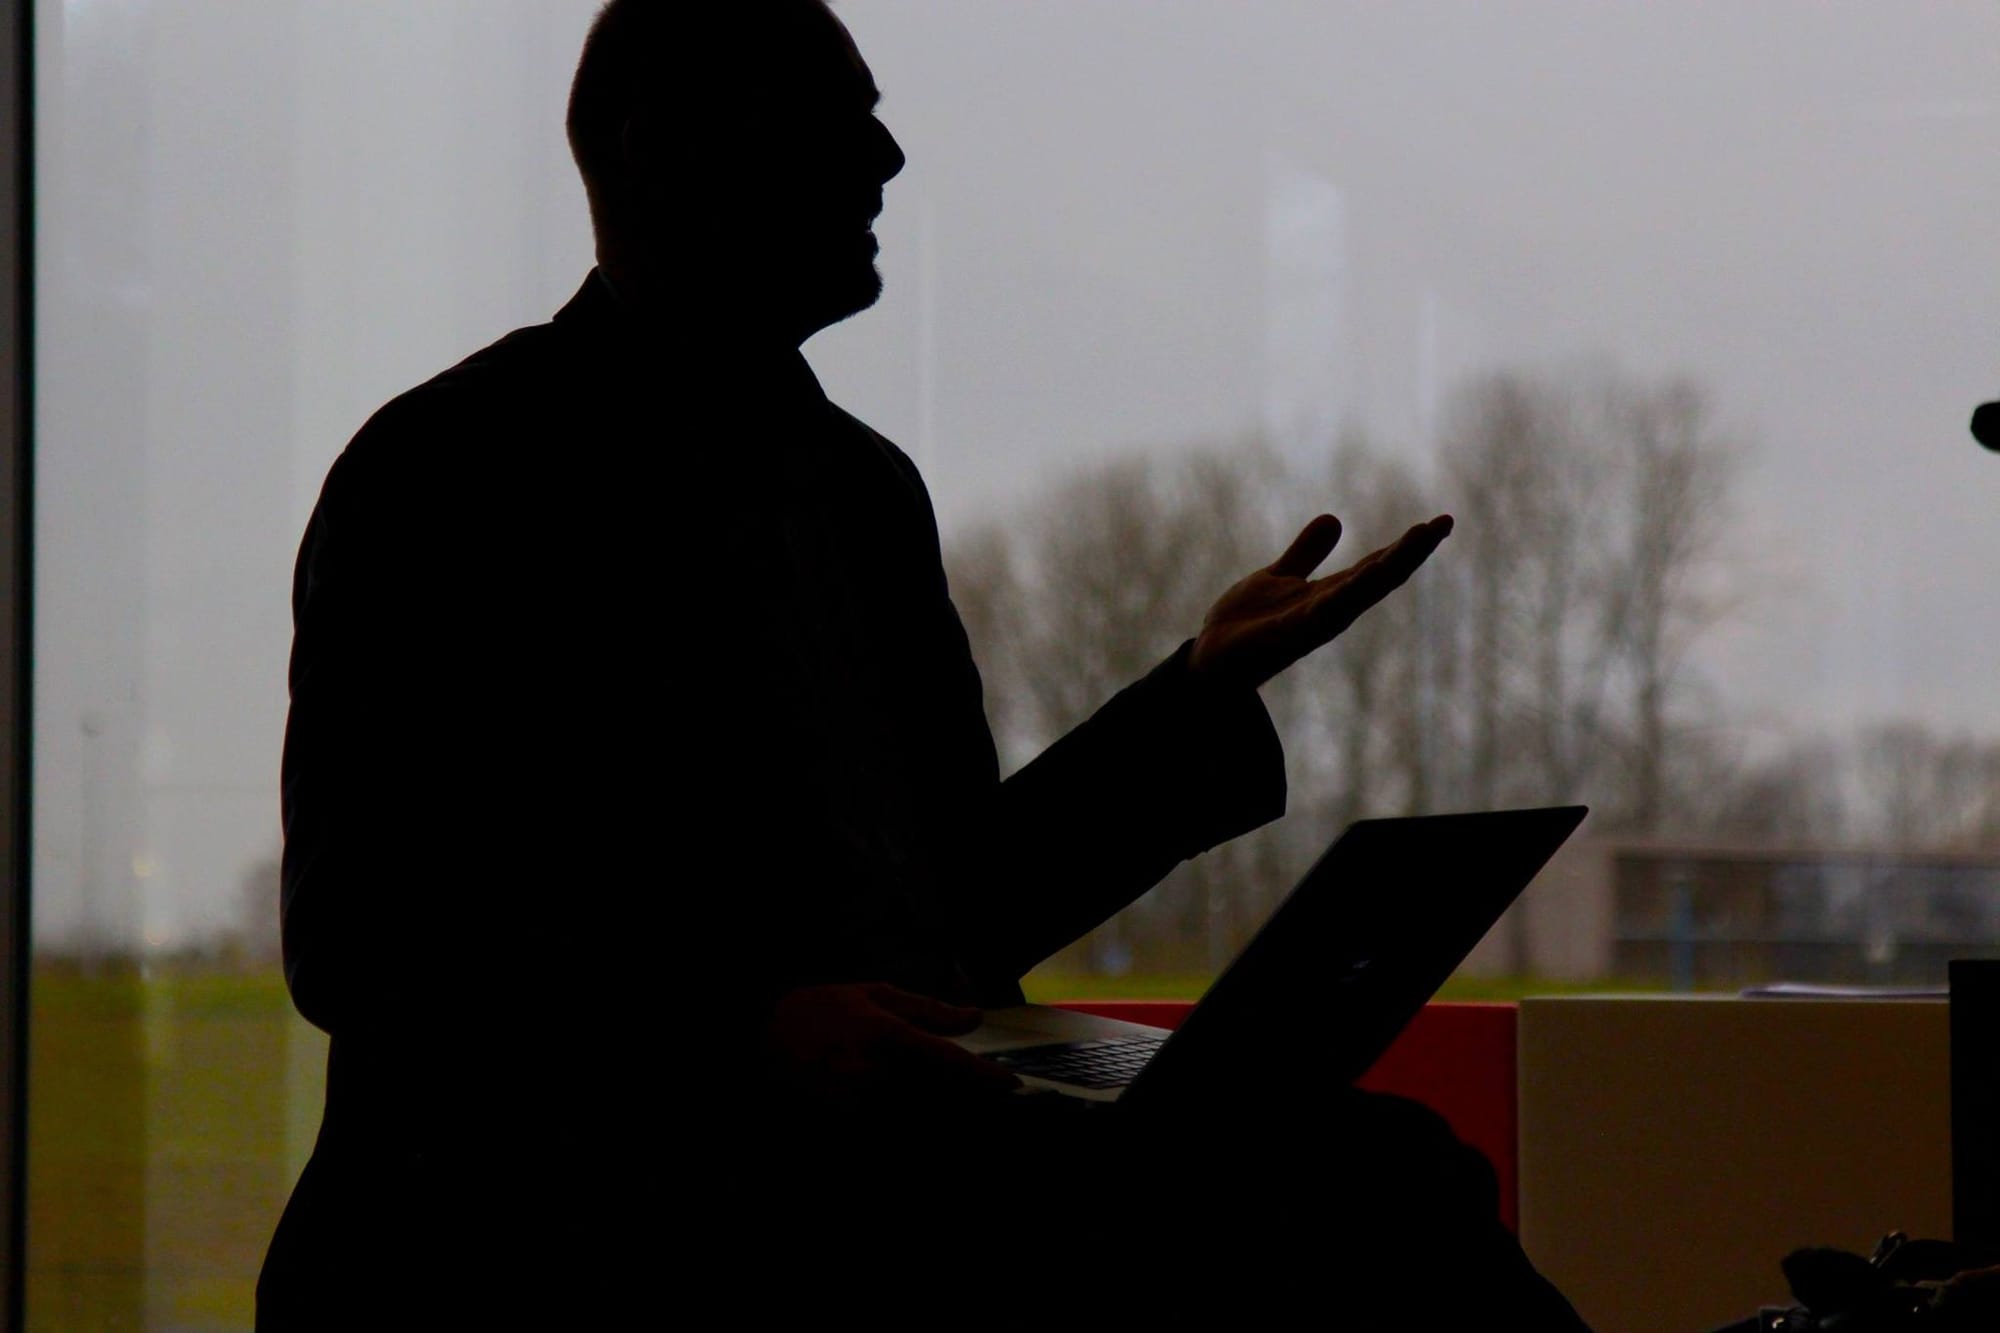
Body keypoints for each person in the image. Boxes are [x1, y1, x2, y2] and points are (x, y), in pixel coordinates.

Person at [258, 1, 1586, 1326]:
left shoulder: (859, 492)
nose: (887, 159)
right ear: (665, 149)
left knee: (1381, 1169)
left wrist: (1195, 695)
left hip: (833, 1167)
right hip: (579, 1208)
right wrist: (753, 1035)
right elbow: (361, 940)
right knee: (1362, 1188)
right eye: (836, 119)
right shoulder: (448, 474)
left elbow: (951, 909)